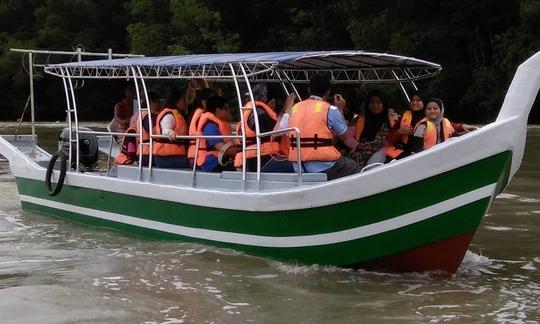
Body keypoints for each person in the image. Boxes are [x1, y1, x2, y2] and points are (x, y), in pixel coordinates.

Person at [281, 72, 360, 180]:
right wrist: (340, 109)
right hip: (324, 166)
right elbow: (344, 136)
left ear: (309, 90)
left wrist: (286, 110)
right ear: (328, 92)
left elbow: (282, 129)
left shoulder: (295, 108)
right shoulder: (330, 109)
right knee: (354, 167)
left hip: (298, 165)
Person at [385, 92, 477, 161]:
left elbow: (449, 125)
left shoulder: (431, 116)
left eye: (418, 100)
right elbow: (389, 138)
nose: (414, 103)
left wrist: (462, 126)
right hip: (400, 153)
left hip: (420, 155)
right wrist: (400, 132)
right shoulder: (403, 116)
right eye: (412, 100)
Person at [234, 83, 294, 173]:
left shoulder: (252, 112)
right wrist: (288, 110)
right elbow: (280, 130)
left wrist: (283, 111)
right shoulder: (260, 115)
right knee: (297, 166)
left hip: (249, 161)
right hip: (261, 162)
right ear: (271, 101)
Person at [351, 89, 398, 166]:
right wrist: (361, 145)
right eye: (372, 102)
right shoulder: (364, 120)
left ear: (384, 103)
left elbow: (391, 138)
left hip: (386, 150)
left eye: (378, 102)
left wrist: (370, 145)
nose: (375, 105)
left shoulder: (392, 118)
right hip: (364, 152)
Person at [196, 96, 238, 172]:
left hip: (223, 161)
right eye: (226, 108)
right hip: (213, 164)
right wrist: (241, 151)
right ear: (218, 110)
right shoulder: (209, 125)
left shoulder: (221, 123)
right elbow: (221, 148)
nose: (229, 111)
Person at [153, 91, 190, 168]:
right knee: (192, 165)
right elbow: (165, 130)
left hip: (175, 155)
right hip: (166, 157)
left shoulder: (178, 114)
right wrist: (170, 132)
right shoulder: (169, 115)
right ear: (176, 102)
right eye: (183, 100)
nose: (185, 103)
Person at [133, 92, 162, 166]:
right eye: (158, 101)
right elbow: (153, 131)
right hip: (148, 153)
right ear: (152, 102)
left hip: (144, 152)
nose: (160, 104)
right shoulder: (148, 116)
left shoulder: (143, 114)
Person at [187, 88, 215, 164]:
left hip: (195, 155)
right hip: (199, 157)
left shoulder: (197, 113)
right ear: (204, 102)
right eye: (213, 99)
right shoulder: (203, 116)